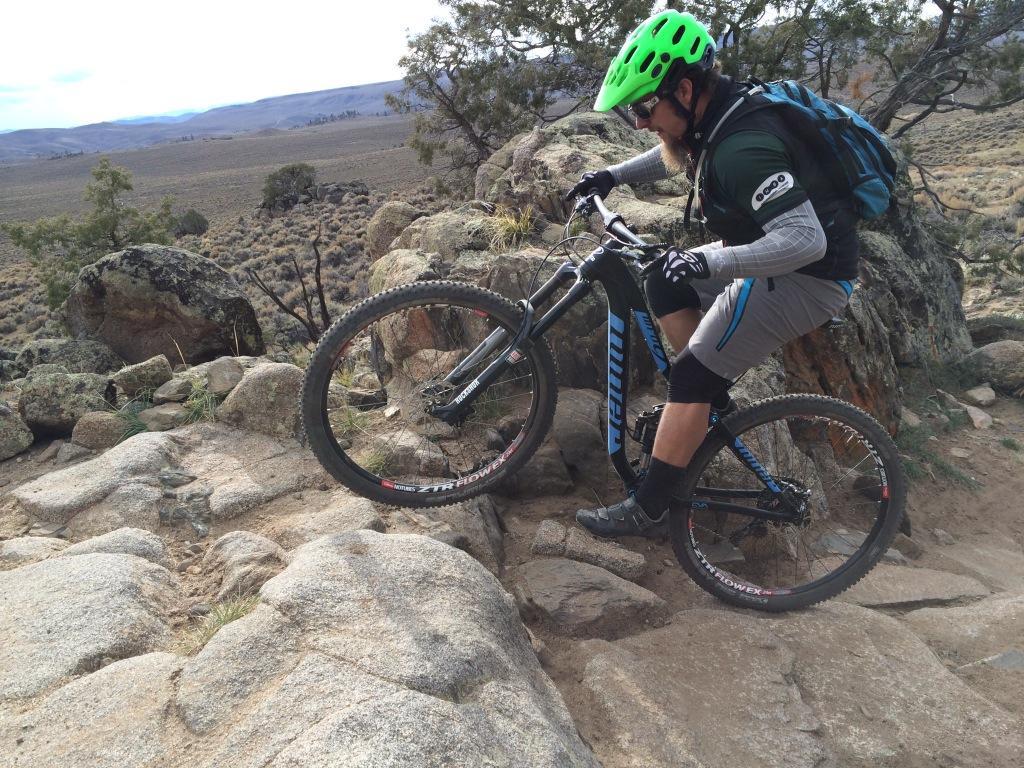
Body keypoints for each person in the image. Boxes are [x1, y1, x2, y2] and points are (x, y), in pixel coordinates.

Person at [568, 9, 861, 538]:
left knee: (690, 375)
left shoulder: (742, 147)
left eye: (643, 107)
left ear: (683, 88)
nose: (639, 121)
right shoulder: (717, 114)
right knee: (664, 278)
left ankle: (650, 508)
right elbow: (679, 155)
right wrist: (613, 174)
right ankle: (705, 403)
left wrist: (710, 260)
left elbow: (803, 240)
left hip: (807, 276)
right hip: (776, 255)